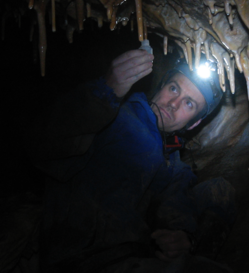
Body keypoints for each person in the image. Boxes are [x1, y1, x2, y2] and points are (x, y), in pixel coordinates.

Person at [32, 49, 236, 273]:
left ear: (194, 124)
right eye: (174, 89)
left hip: (136, 255)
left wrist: (183, 236)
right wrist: (105, 91)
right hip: (83, 257)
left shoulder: (173, 159)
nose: (173, 104)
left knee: (220, 190)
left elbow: (177, 201)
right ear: (160, 87)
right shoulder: (116, 115)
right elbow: (47, 140)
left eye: (189, 104)